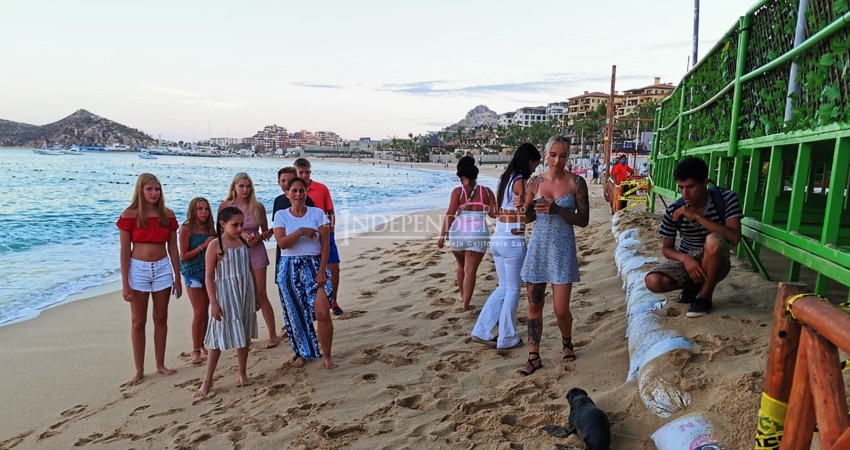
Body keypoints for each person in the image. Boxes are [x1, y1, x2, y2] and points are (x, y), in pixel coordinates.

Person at [517, 136, 589, 376]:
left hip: (563, 248)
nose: (558, 160)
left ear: (568, 157)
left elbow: (584, 220)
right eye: (553, 155)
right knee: (534, 304)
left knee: (560, 309)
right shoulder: (534, 183)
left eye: (563, 155)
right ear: (545, 155)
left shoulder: (576, 183)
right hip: (538, 246)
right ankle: (533, 356)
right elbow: (527, 219)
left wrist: (558, 209)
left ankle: (567, 341)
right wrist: (524, 208)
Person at [644, 157, 742, 317]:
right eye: (681, 188)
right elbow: (667, 249)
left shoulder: (726, 199)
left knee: (713, 240)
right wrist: (685, 259)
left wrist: (697, 217)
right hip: (688, 259)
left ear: (705, 182)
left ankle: (705, 297)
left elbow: (735, 237)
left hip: (717, 260)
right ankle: (693, 288)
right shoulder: (674, 210)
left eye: (691, 187)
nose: (685, 193)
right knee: (652, 281)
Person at [471, 144, 541, 349]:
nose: (535, 169)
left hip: (499, 236)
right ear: (529, 161)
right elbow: (522, 213)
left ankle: (482, 329)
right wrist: (535, 208)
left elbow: (504, 210)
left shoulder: (505, 178)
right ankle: (507, 336)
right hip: (512, 238)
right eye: (535, 165)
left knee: (503, 287)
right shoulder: (521, 181)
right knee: (512, 289)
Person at [116, 173, 181, 385]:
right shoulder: (129, 215)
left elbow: (173, 247)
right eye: (149, 189)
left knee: (161, 318)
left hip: (162, 268)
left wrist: (177, 276)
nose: (154, 193)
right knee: (138, 321)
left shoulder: (167, 215)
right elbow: (125, 250)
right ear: (141, 190)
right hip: (138, 270)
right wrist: (125, 283)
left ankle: (160, 364)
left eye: (157, 189)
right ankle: (139, 369)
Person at [273, 177, 337, 370]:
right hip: (288, 266)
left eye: (302, 191)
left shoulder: (317, 214)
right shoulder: (281, 215)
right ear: (287, 193)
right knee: (295, 314)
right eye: (294, 191)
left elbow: (325, 244)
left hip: (314, 263)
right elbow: (282, 243)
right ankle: (302, 352)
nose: (298, 195)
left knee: (322, 311)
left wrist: (322, 272)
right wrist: (301, 231)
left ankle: (326, 356)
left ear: (306, 192)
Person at [195, 206, 258, 397]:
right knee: (217, 337)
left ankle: (242, 372)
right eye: (235, 225)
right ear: (222, 224)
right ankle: (207, 381)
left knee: (244, 332)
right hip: (226, 293)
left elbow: (249, 268)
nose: (240, 229)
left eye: (242, 224)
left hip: (245, 290)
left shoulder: (244, 241)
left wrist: (256, 292)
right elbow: (208, 276)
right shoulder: (216, 245)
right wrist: (213, 302)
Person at [219, 172, 279, 349]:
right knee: (242, 295)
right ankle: (245, 336)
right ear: (234, 187)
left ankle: (272, 335)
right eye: (241, 186)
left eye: (248, 186)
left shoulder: (257, 206)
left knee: (261, 294)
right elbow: (220, 232)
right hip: (236, 253)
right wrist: (240, 233)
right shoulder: (225, 206)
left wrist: (260, 237)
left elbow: (266, 232)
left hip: (257, 252)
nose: (245, 190)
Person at [437, 156, 498, 311]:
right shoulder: (486, 191)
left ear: (461, 176)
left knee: (461, 265)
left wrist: (442, 236)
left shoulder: (458, 191)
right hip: (477, 232)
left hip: (458, 232)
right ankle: (466, 304)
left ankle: (462, 295)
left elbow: (450, 213)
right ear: (475, 175)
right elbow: (493, 214)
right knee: (470, 270)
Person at [293, 158, 344, 316]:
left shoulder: (321, 189)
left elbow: (331, 210)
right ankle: (310, 304)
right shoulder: (293, 192)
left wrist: (332, 231)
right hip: (304, 238)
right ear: (295, 173)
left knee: (334, 267)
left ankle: (333, 301)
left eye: (307, 172)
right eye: (301, 172)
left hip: (324, 234)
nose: (305, 175)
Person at [178, 197, 216, 365]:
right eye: (200, 209)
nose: (204, 212)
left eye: (206, 209)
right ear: (193, 211)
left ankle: (202, 344)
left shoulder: (210, 228)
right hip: (192, 272)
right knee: (199, 311)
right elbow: (184, 256)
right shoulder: (186, 229)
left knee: (206, 310)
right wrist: (203, 247)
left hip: (207, 272)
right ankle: (195, 350)